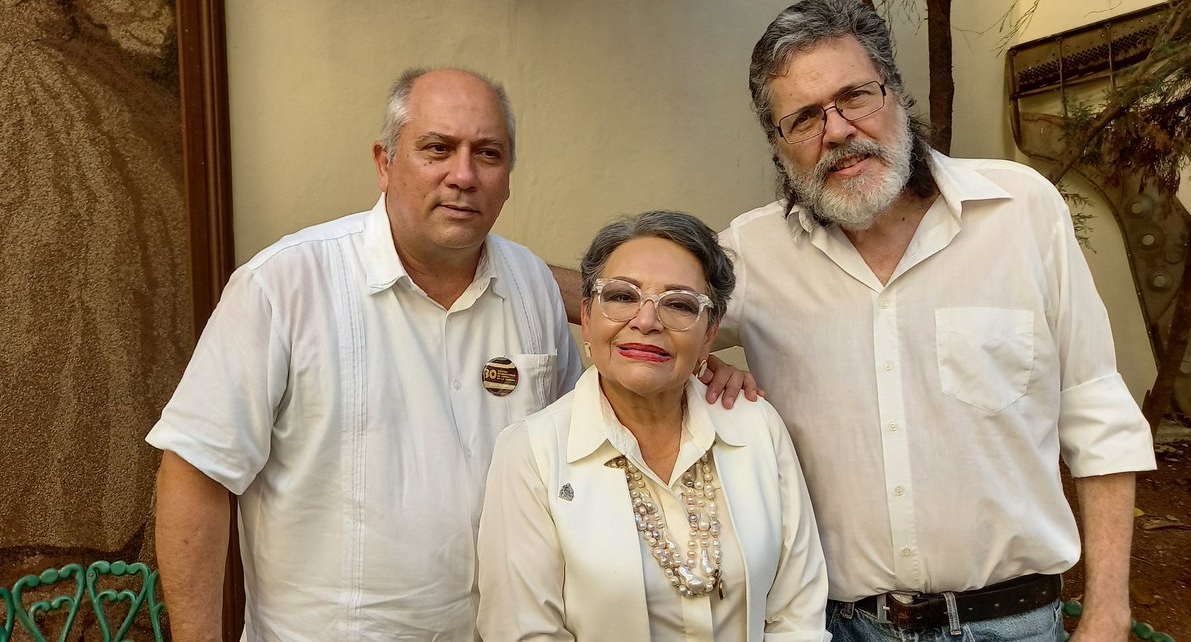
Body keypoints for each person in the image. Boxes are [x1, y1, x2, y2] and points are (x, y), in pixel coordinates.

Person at [715, 0, 1157, 641]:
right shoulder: (753, 253)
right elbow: (631, 307)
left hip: (1015, 625)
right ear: (779, 147)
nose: (836, 130)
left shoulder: (1023, 211)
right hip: (840, 626)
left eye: (855, 96)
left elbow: (1097, 415)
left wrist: (1109, 612)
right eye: (804, 118)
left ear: (896, 92)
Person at [147, 68, 582, 641]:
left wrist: (698, 363)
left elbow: (573, 458)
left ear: (508, 178)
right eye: (437, 149)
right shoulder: (284, 286)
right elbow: (195, 474)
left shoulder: (532, 285)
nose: (463, 175)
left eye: (489, 153)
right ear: (384, 162)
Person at [477, 211, 830, 641]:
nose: (646, 321)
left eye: (679, 304)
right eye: (622, 297)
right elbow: (524, 631)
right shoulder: (531, 453)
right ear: (587, 317)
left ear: (709, 333)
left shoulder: (757, 428)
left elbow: (798, 613)